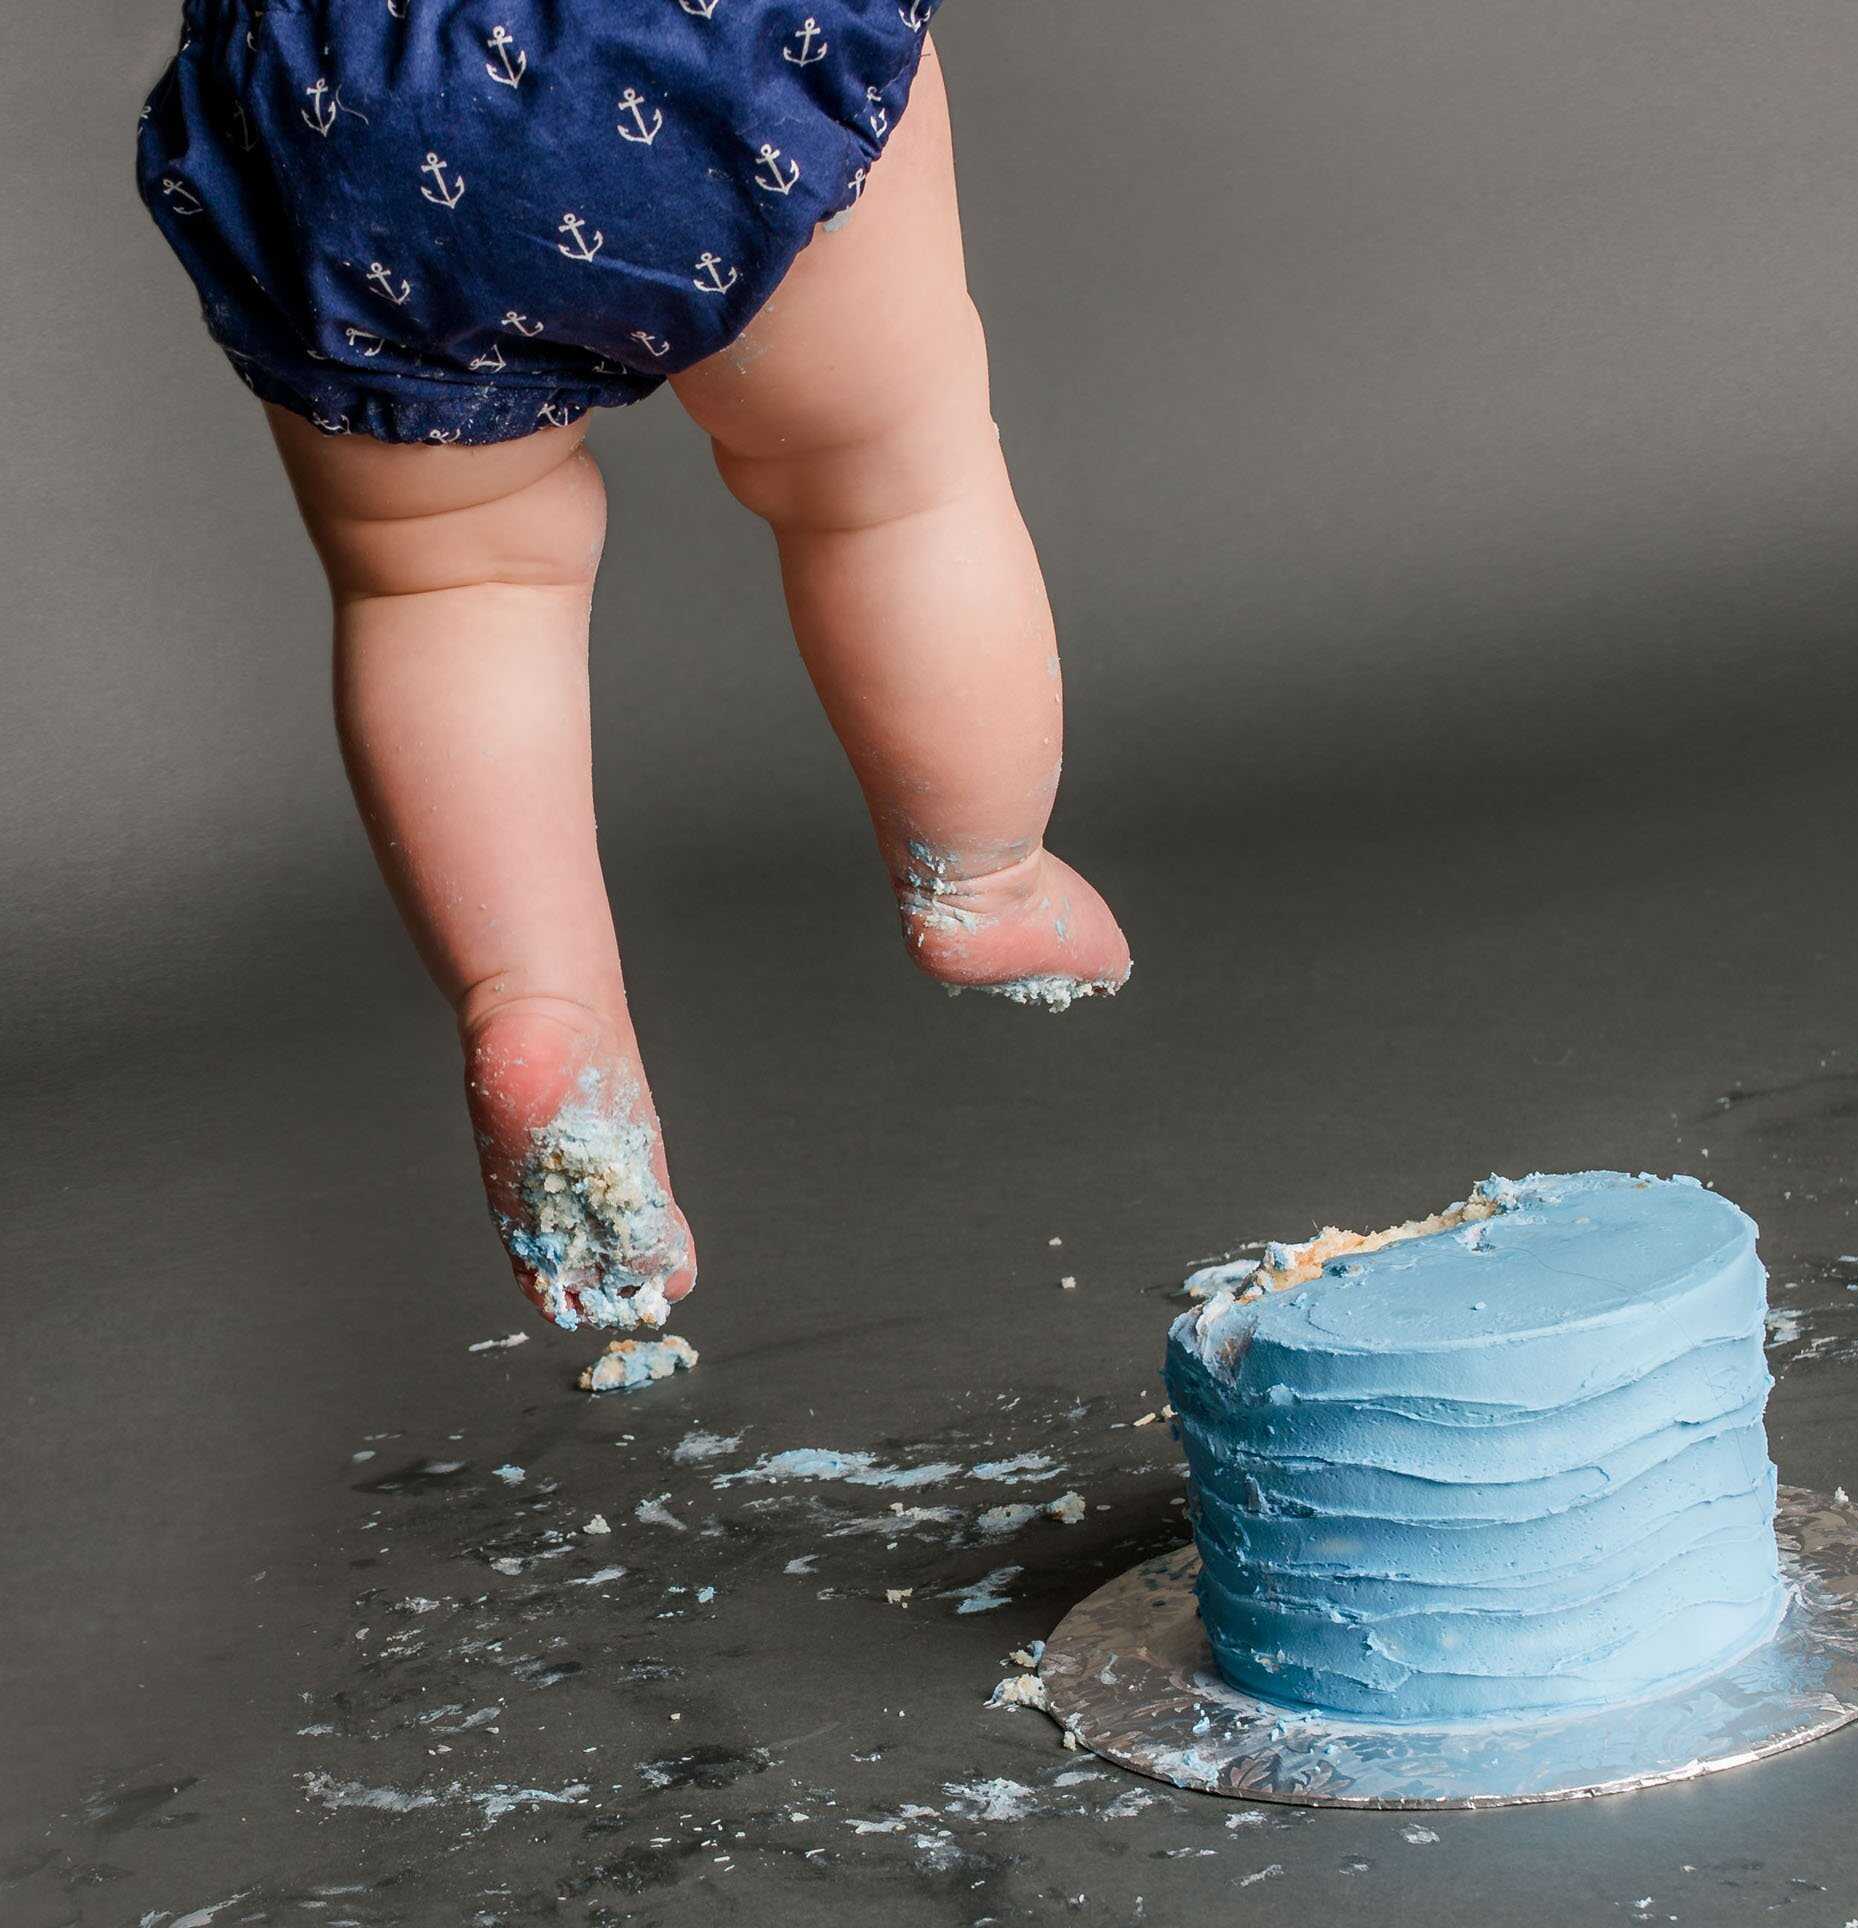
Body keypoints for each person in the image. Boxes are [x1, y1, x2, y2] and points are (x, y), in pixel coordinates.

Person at [136, 1, 1130, 1333]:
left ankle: (537, 1001)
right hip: (709, 42)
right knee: (889, 482)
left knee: (450, 579)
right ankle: (983, 871)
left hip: (351, 97)